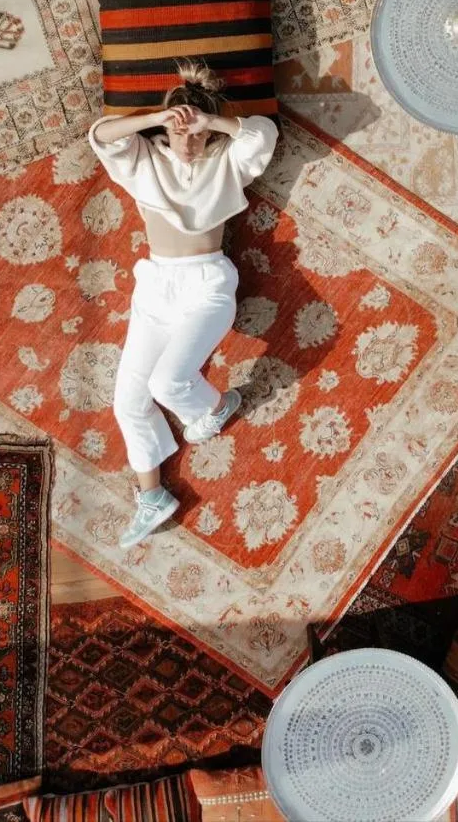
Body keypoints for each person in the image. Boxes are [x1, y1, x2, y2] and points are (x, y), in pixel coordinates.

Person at [88, 59, 279, 549]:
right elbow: (104, 135)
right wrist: (157, 119)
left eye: (195, 134)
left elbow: (261, 135)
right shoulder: (145, 158)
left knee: (168, 382)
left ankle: (220, 404)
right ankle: (151, 497)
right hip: (154, 288)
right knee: (127, 402)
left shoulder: (224, 161)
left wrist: (210, 123)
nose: (187, 143)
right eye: (179, 133)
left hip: (207, 285)